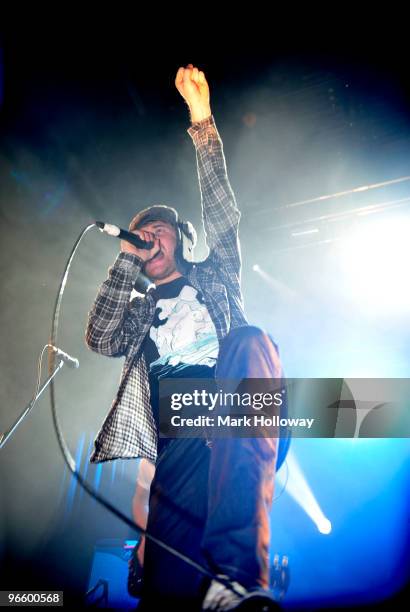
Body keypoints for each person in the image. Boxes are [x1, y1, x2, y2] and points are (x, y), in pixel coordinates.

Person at [86, 64, 284, 611]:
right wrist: (126, 259)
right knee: (170, 587)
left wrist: (202, 122)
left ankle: (239, 575)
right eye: (140, 230)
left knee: (249, 339)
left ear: (182, 237)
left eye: (159, 227)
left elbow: (223, 213)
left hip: (232, 403)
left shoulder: (216, 274)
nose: (147, 233)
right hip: (176, 438)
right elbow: (100, 337)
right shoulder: (138, 308)